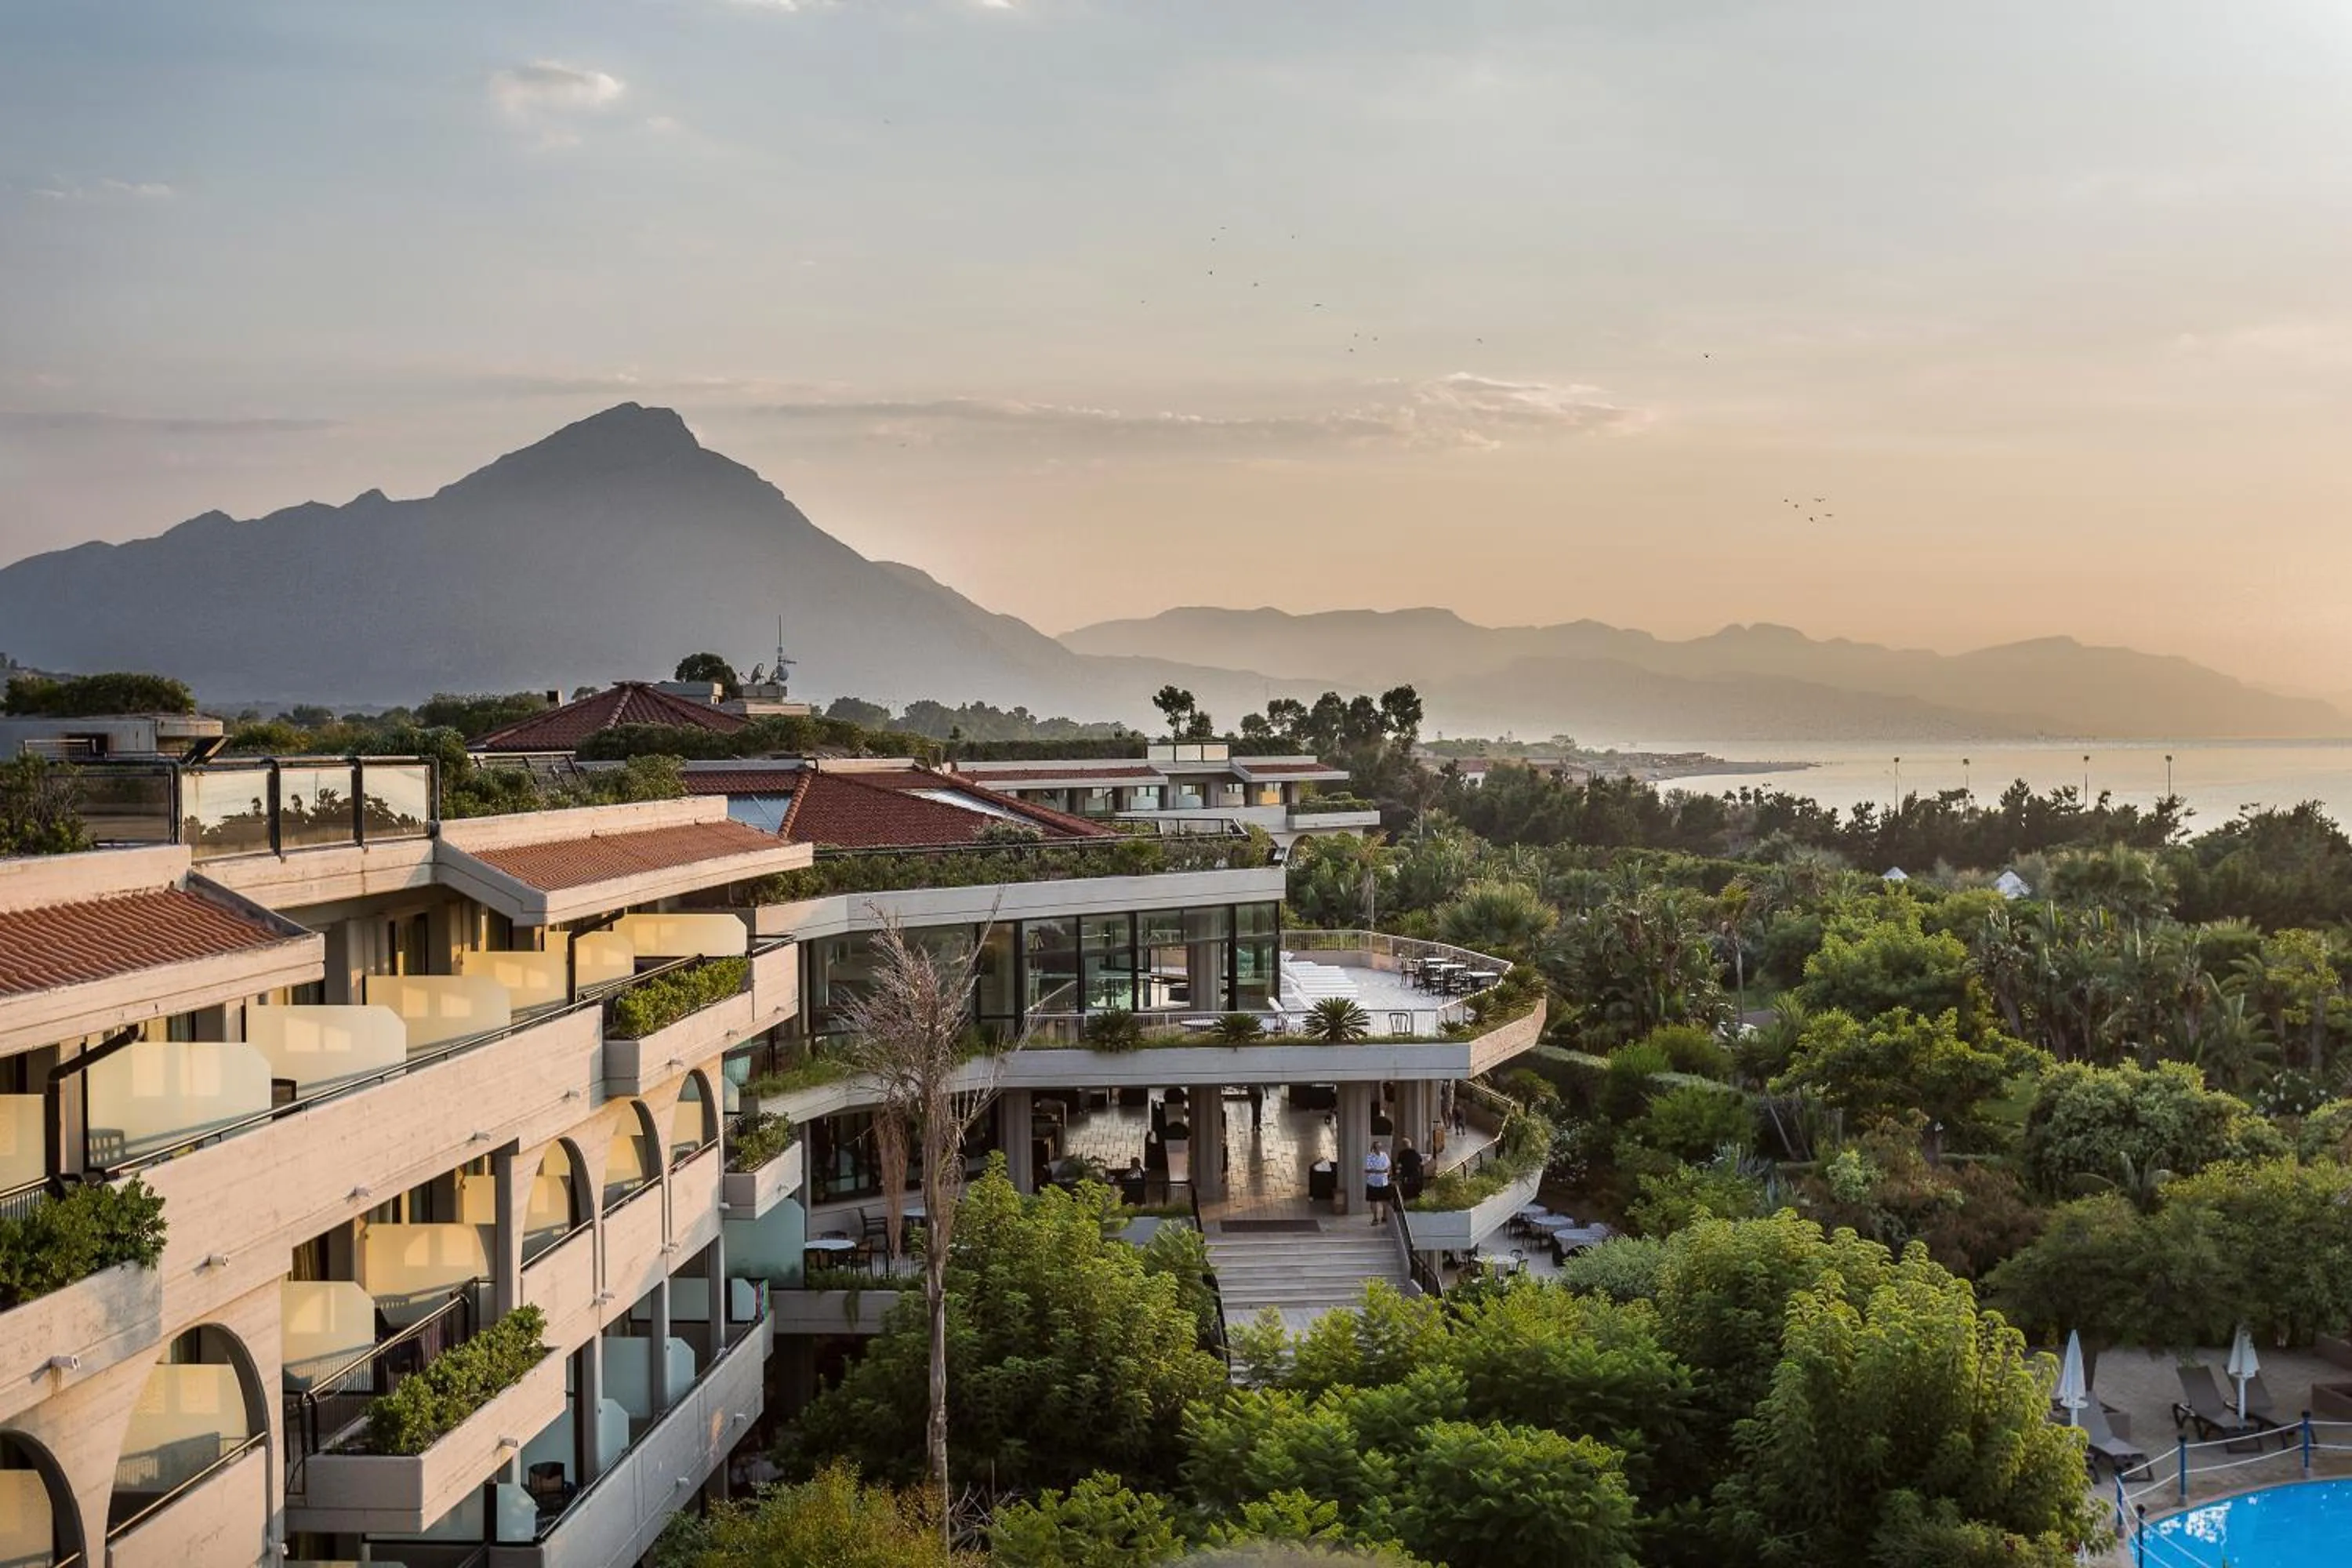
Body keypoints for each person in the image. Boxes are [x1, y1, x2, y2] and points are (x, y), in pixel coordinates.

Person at [1364, 1140, 1393, 1226]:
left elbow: (1388, 1166)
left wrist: (1388, 1172)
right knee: (1374, 1200)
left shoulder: (1384, 1155)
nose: (1379, 1149)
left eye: (1380, 1147)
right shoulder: (1369, 1157)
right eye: (1377, 1147)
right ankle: (1375, 1218)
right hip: (1373, 1182)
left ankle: (1384, 1216)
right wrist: (1380, 1171)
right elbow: (1367, 1169)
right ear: (1374, 1148)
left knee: (1385, 1200)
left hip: (1384, 1181)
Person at [1394, 1135, 1424, 1202]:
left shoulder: (1401, 1154)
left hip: (1406, 1176)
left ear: (1403, 1146)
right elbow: (1421, 1163)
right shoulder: (1416, 1153)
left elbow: (1399, 1166)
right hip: (1416, 1176)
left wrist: (1397, 1173)